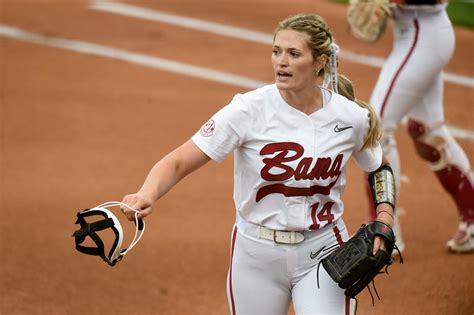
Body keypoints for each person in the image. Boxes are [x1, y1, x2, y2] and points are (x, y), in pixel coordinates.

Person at [121, 14, 397, 315]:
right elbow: (178, 160)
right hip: (255, 255)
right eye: (276, 51)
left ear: (319, 61)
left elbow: (379, 168)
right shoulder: (248, 109)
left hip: (323, 251)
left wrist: (384, 218)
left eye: (294, 54)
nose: (281, 62)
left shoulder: (350, 117)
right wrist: (147, 193)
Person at [366, 0, 474, 254]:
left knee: (374, 129)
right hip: (412, 33)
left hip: (425, 32)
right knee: (426, 131)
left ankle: (385, 230)